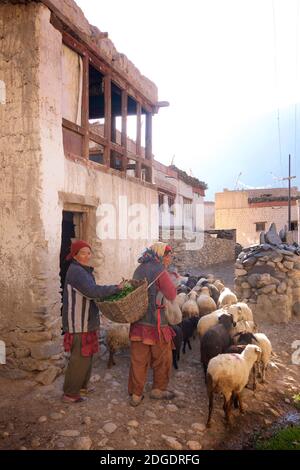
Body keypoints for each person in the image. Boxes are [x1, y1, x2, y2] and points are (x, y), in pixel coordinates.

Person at [62, 240, 123, 403]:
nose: (87, 256)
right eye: (83, 253)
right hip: (78, 322)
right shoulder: (76, 271)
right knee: (79, 358)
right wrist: (115, 288)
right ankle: (70, 393)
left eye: (89, 253)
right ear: (75, 255)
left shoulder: (83, 270)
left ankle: (82, 387)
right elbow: (92, 291)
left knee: (86, 356)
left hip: (86, 321)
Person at [128, 242, 177, 407]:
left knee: (138, 360)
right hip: (156, 323)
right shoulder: (160, 271)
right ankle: (158, 389)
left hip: (138, 322)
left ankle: (136, 394)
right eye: (168, 256)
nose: (169, 259)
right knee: (162, 358)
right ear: (161, 256)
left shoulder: (139, 269)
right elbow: (171, 294)